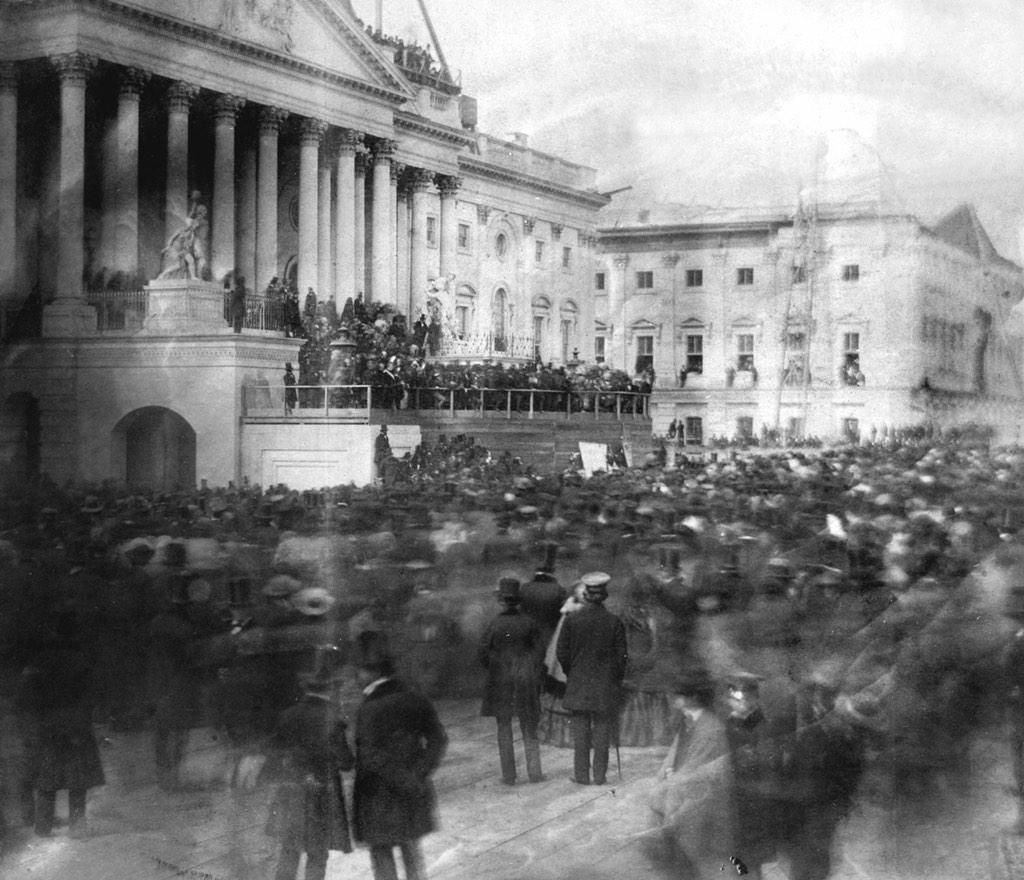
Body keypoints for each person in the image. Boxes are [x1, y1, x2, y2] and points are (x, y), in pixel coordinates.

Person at [352, 631, 447, 880]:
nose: (356, 677)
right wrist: (419, 773)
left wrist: (401, 778)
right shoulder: (414, 697)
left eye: (360, 671)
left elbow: (369, 755)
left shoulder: (369, 708)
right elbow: (438, 739)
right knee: (412, 851)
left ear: (372, 672)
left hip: (378, 797)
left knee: (382, 855)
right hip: (413, 790)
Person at [16, 606, 105, 837]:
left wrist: (35, 720)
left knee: (47, 776)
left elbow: (28, 694)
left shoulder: (39, 660)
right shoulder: (82, 659)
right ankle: (77, 826)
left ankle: (43, 826)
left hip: (47, 724)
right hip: (76, 722)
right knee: (78, 778)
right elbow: (92, 693)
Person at [263, 671, 355, 880]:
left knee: (289, 850)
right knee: (317, 853)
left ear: (305, 688)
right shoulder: (333, 717)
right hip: (321, 794)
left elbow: (274, 753)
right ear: (329, 689)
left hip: (292, 792)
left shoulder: (287, 715)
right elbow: (346, 762)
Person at [645, 669, 734, 879]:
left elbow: (698, 769)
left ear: (693, 698)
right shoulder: (688, 720)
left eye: (680, 695)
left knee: (691, 859)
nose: (675, 699)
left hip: (699, 801)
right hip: (681, 793)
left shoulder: (711, 728)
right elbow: (674, 754)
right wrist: (662, 779)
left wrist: (669, 784)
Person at [556, 571, 628, 785]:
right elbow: (622, 657)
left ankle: (581, 775)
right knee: (603, 731)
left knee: (581, 733)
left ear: (586, 595)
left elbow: (562, 653)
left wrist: (572, 672)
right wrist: (615, 678)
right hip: (605, 685)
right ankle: (599, 776)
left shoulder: (572, 621)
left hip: (579, 682)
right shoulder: (614, 622)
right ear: (604, 596)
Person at [479, 576, 546, 785]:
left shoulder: (494, 625)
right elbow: (540, 652)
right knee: (529, 727)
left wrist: (496, 666)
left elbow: (483, 654)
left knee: (504, 728)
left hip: (501, 682)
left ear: (500, 600)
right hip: (525, 680)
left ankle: (509, 775)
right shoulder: (529, 623)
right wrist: (528, 668)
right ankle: (534, 772)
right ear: (518, 601)